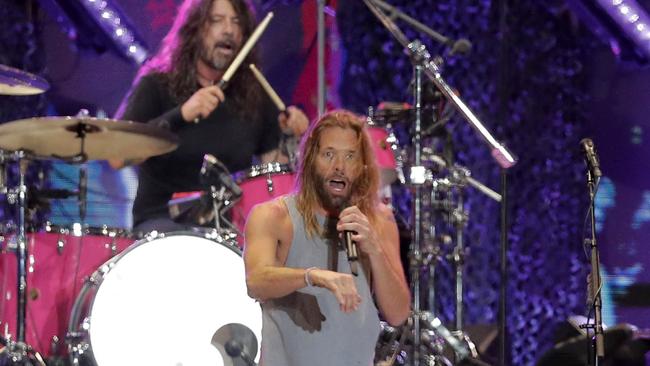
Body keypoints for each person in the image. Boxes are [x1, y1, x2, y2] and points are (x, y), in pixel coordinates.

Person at [111, 0, 308, 233]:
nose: (229, 30)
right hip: (164, 225)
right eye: (216, 20)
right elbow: (117, 157)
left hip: (229, 227)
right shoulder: (157, 84)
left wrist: (291, 138)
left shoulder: (252, 92)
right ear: (194, 30)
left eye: (237, 22)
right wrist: (181, 114)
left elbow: (272, 173)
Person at [244, 109, 411, 365]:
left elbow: (398, 313)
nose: (339, 167)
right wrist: (312, 276)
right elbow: (257, 281)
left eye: (350, 156)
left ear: (362, 166)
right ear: (311, 159)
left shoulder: (379, 223)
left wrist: (375, 251)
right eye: (329, 154)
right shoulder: (275, 217)